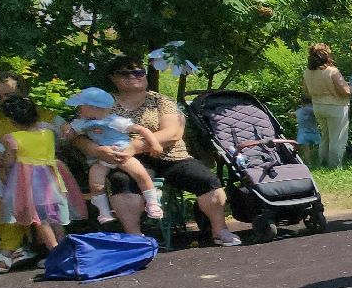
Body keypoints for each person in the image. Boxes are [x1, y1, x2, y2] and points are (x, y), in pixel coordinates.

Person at [89, 56, 241, 246]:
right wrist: (97, 150)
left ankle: (219, 230)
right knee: (122, 181)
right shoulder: (102, 103)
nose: (133, 76)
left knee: (206, 179)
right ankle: (135, 238)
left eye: (138, 72)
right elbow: (81, 132)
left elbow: (173, 132)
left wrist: (134, 146)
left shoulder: (160, 100)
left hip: (171, 156)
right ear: (113, 78)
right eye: (125, 73)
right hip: (124, 160)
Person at [0, 93, 83, 254]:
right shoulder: (47, 132)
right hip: (53, 177)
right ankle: (63, 246)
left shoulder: (13, 138)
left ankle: (54, 251)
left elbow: (9, 160)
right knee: (54, 215)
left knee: (40, 218)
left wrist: (1, 164)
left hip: (31, 182)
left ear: (12, 121)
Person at [62, 87, 161, 220]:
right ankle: (103, 212)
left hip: (122, 153)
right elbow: (71, 136)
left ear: (95, 108)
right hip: (102, 158)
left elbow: (142, 130)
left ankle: (153, 202)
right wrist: (66, 131)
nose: (78, 109)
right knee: (96, 183)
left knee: (140, 175)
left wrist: (154, 143)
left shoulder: (114, 121)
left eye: (81, 106)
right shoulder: (81, 123)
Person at [0, 71, 39, 270]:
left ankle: (8, 249)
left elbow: (59, 137)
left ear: (22, 91)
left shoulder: (40, 113)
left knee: (17, 190)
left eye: (8, 95)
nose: (2, 101)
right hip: (4, 167)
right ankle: (19, 246)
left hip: (35, 171)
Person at [302, 43, 352, 168]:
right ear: (327, 56)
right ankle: (335, 166)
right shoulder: (332, 71)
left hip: (318, 106)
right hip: (336, 107)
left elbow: (306, 92)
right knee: (337, 138)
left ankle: (323, 162)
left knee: (325, 137)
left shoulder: (307, 72)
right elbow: (345, 91)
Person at [294, 97, 321, 164]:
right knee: (320, 145)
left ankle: (308, 161)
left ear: (302, 103)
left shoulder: (299, 110)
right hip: (314, 130)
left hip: (302, 131)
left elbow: (295, 115)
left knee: (306, 148)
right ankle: (320, 159)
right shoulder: (314, 109)